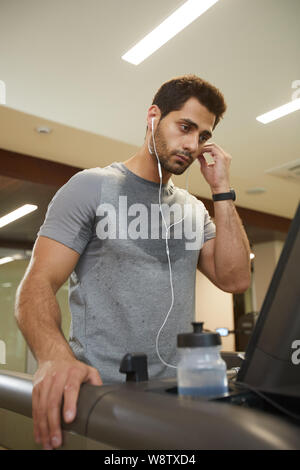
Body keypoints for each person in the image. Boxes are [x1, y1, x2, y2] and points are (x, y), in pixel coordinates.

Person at [15, 74, 251, 450]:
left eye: (203, 136)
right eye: (185, 127)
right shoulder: (90, 187)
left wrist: (222, 190)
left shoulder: (192, 210)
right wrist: (54, 358)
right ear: (154, 117)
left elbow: (236, 280)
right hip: (102, 399)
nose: (192, 145)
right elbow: (37, 284)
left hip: (179, 401)